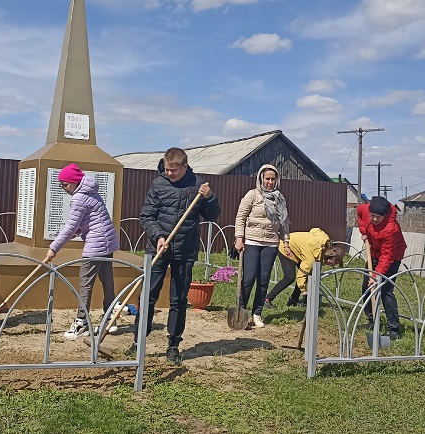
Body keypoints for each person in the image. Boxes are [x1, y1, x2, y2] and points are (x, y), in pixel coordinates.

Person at [130, 147, 220, 366]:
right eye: (167, 169)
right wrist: (158, 236)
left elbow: (212, 216)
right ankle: (138, 341)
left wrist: (210, 198)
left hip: (185, 250)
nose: (169, 173)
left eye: (174, 170)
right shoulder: (158, 184)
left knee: (178, 299)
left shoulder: (198, 186)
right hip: (158, 248)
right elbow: (147, 215)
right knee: (148, 296)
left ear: (185, 167)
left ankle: (173, 344)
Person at [45, 163, 120, 339]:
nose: (64, 189)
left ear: (74, 182)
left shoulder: (79, 197)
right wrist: (78, 231)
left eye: (65, 185)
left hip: (96, 243)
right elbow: (90, 219)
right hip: (106, 241)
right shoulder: (90, 192)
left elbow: (71, 226)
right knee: (107, 280)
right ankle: (111, 318)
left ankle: (82, 322)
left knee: (85, 282)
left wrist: (53, 248)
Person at [234, 164, 290, 328]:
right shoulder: (252, 195)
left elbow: (284, 222)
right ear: (261, 179)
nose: (270, 182)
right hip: (252, 241)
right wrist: (239, 238)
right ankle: (241, 310)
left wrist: (286, 241)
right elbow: (240, 216)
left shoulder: (279, 198)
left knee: (264, 280)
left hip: (271, 243)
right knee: (249, 278)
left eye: (273, 179)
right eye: (267, 179)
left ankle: (257, 313)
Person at [357, 196, 406, 341]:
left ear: (384, 215)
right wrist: (363, 231)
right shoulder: (366, 209)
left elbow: (387, 255)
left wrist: (376, 274)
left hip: (392, 256)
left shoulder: (391, 229)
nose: (374, 219)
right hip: (374, 253)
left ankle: (393, 330)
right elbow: (359, 213)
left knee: (385, 290)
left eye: (378, 217)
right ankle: (372, 321)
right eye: (372, 216)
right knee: (366, 287)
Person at [264, 228, 344, 308]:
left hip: (297, 249)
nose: (330, 266)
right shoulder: (311, 258)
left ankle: (293, 300)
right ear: (330, 257)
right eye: (332, 263)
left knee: (307, 275)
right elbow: (301, 276)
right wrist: (304, 292)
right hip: (286, 247)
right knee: (289, 277)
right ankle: (268, 298)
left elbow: (315, 230)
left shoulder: (324, 240)